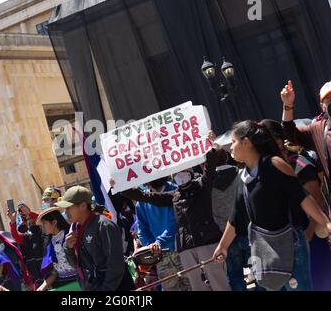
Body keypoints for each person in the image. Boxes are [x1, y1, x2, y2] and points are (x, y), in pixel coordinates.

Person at [213, 120, 331, 291]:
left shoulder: (275, 164)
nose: (230, 148)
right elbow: (236, 216)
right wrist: (222, 247)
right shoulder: (242, 178)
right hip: (266, 250)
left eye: (233, 142)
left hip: (292, 244)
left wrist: (326, 222)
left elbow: (302, 198)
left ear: (246, 142)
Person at [117, 149, 230, 291]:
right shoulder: (173, 196)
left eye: (184, 173)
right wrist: (120, 185)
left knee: (218, 282)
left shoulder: (202, 185)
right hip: (185, 248)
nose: (181, 177)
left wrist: (210, 149)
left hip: (205, 242)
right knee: (197, 286)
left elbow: (210, 170)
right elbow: (145, 199)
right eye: (177, 175)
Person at [262, 119, 331, 291]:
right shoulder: (269, 170)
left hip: (311, 238)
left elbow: (316, 199)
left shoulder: (299, 164)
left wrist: (308, 233)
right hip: (289, 244)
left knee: (321, 282)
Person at [118, 177, 192, 291]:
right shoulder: (142, 202)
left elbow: (176, 222)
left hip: (182, 250)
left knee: (194, 285)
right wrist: (151, 246)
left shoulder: (176, 190)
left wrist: (158, 243)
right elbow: (142, 230)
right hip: (160, 256)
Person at [59, 186, 134, 291]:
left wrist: (105, 289)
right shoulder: (75, 230)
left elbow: (116, 263)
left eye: (68, 208)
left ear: (83, 206)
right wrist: (69, 248)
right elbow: (76, 265)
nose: (65, 212)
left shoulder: (104, 225)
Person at [36, 206, 78, 291]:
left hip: (79, 282)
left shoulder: (71, 236)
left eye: (44, 223)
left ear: (54, 222)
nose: (42, 227)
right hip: (62, 285)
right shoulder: (49, 244)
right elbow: (54, 272)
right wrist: (42, 287)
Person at [7, 202, 44, 289]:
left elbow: (40, 218)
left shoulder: (45, 232)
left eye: (34, 223)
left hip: (51, 273)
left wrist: (28, 213)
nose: (32, 225)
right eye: (30, 224)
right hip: (37, 279)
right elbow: (16, 235)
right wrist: (13, 221)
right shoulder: (27, 237)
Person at [0, 224, 33, 290]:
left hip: (19, 283)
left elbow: (21, 266)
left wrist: (26, 280)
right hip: (5, 286)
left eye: (0, 242)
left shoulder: (12, 252)